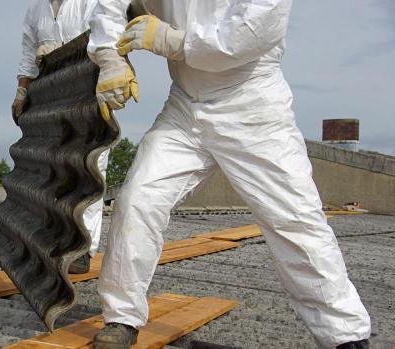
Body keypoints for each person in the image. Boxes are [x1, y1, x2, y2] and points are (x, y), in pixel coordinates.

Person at [86, 1, 372, 348]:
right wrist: (110, 57)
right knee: (138, 198)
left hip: (252, 106)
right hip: (185, 106)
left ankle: (345, 336)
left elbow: (241, 39)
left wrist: (171, 41)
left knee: (294, 220)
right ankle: (121, 318)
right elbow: (110, 4)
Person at [12, 0, 109, 273]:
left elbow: (108, 38)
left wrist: (62, 54)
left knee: (89, 169)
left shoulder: (92, 2)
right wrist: (22, 90)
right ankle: (54, 241)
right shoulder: (36, 9)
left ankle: (83, 249)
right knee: (54, 169)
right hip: (52, 96)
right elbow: (28, 50)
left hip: (90, 91)